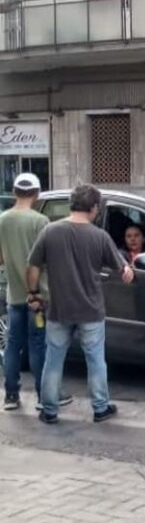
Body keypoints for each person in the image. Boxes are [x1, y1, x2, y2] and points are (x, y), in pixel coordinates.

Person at [27, 184, 134, 425]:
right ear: (94, 207)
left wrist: (33, 294)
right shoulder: (100, 236)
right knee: (95, 360)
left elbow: (32, 267)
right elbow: (123, 270)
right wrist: (127, 270)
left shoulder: (50, 232)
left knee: (53, 360)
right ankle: (100, 408)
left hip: (59, 309)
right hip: (91, 311)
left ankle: (50, 410)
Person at [0, 173, 52, 411]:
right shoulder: (40, 221)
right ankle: (42, 397)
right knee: (38, 344)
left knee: (12, 345)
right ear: (37, 193)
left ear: (14, 191)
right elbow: (46, 260)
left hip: (14, 295)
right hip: (37, 296)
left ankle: (11, 395)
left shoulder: (2, 220)